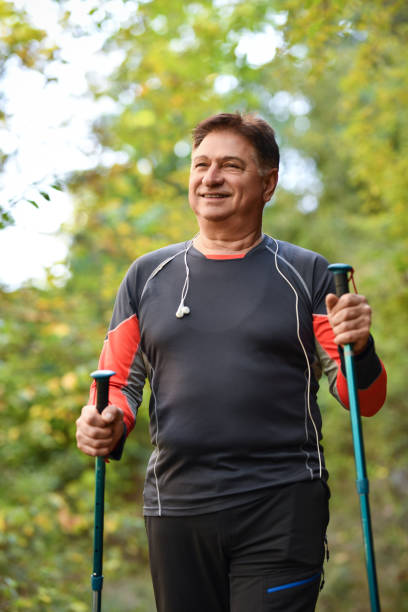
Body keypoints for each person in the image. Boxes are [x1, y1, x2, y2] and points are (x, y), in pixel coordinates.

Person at [76, 112, 387, 612]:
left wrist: (362, 346)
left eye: (230, 166)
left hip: (281, 505)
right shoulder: (147, 277)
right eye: (201, 165)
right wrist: (101, 424)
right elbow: (115, 392)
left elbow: (364, 400)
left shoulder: (306, 274)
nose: (210, 177)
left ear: (268, 183)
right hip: (176, 509)